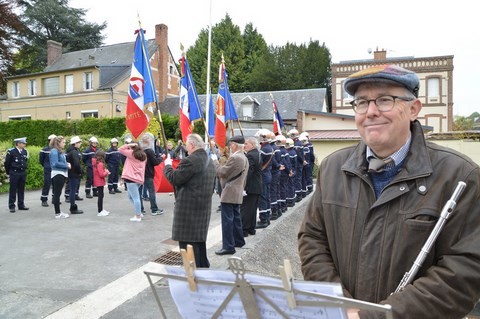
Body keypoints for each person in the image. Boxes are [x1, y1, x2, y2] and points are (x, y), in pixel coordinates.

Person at [298, 64, 480, 319]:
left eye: (384, 100)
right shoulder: (332, 168)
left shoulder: (460, 175)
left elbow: (464, 272)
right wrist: (342, 305)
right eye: (361, 102)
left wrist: (379, 316)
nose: (371, 112)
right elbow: (312, 240)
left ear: (413, 109)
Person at [163, 133, 216, 268]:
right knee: (198, 244)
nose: (186, 147)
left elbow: (174, 179)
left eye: (187, 145)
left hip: (188, 210)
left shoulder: (190, 160)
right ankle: (203, 270)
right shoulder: (209, 160)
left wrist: (168, 165)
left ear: (192, 145)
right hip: (203, 207)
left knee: (188, 246)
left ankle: (193, 277)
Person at [213, 135, 249, 255]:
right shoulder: (244, 156)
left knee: (227, 221)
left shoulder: (236, 158)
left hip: (229, 192)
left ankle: (228, 247)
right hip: (237, 190)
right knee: (236, 218)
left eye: (231, 144)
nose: (230, 146)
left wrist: (215, 162)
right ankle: (239, 241)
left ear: (235, 145)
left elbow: (222, 172)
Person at [240, 137, 262, 237]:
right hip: (256, 186)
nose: (244, 145)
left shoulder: (250, 155)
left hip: (251, 186)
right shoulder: (257, 153)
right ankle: (251, 228)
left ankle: (244, 230)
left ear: (252, 145)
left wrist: (244, 186)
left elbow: (249, 172)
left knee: (246, 209)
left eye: (246, 144)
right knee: (252, 209)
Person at [119, 142, 147, 222]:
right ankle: (139, 212)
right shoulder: (144, 155)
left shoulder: (131, 153)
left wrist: (129, 145)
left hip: (130, 178)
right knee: (131, 197)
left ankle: (138, 216)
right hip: (139, 179)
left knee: (135, 198)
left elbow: (120, 149)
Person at [139, 133, 164, 216]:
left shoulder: (139, 151)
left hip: (139, 174)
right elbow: (155, 162)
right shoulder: (149, 151)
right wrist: (161, 158)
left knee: (139, 192)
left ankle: (140, 209)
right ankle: (154, 209)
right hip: (148, 173)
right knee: (151, 191)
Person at [5, 137, 29, 213]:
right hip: (14, 172)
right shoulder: (11, 151)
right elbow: (7, 163)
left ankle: (21, 205)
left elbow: (25, 161)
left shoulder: (25, 151)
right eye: (23, 143)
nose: (24, 144)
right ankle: (12, 206)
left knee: (21, 189)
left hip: (22, 172)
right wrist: (9, 172)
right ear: (18, 144)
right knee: (13, 189)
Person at [49, 136, 70, 219]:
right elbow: (54, 163)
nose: (64, 144)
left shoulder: (58, 151)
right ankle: (57, 213)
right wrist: (66, 165)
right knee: (57, 194)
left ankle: (58, 212)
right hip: (58, 174)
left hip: (60, 173)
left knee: (57, 193)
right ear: (58, 143)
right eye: (63, 142)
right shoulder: (54, 151)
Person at [255, 129, 273, 229]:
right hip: (268, 174)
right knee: (266, 197)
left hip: (264, 175)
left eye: (260, 137)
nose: (259, 139)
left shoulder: (264, 149)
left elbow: (259, 163)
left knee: (263, 198)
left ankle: (263, 219)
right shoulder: (269, 148)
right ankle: (266, 218)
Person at [66, 136, 84, 215]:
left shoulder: (71, 150)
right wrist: (80, 172)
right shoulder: (74, 152)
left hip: (71, 173)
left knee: (72, 190)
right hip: (74, 173)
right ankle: (73, 208)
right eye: (79, 142)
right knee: (73, 191)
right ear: (75, 143)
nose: (80, 144)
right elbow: (76, 164)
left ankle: (72, 206)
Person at [39, 134, 56, 207]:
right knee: (47, 184)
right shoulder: (44, 150)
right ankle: (44, 199)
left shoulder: (57, 149)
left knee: (55, 184)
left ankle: (54, 199)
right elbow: (41, 160)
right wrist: (46, 166)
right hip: (48, 170)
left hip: (55, 169)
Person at [92, 150, 110, 217]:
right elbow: (101, 174)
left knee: (101, 195)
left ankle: (101, 209)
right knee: (100, 196)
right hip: (99, 181)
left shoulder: (96, 163)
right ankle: (100, 211)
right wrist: (106, 172)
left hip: (98, 181)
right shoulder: (100, 164)